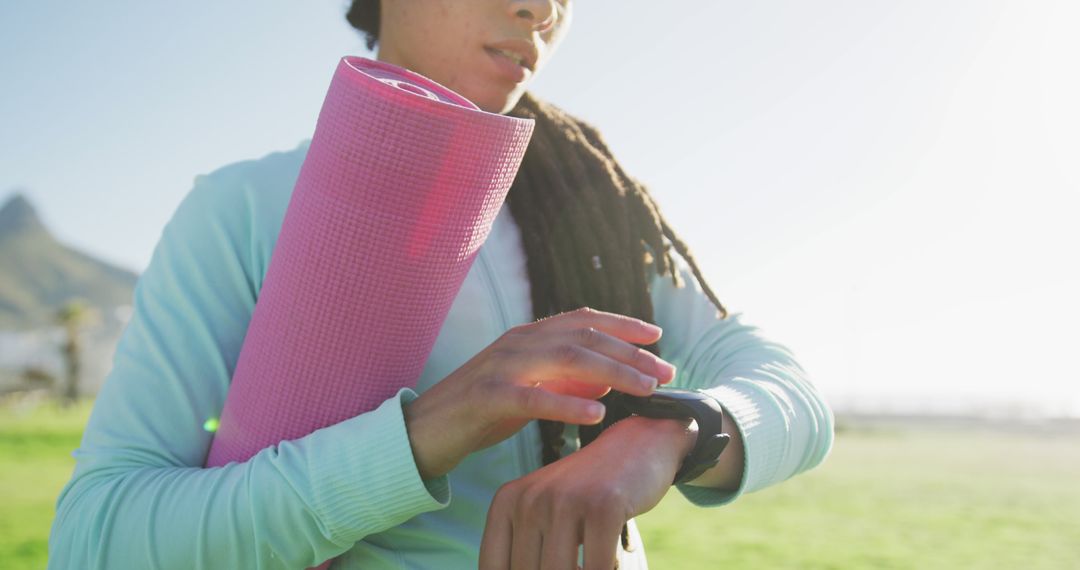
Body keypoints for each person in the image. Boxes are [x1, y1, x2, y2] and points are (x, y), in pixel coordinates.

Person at [47, 1, 834, 568]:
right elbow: (98, 541)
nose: (542, 11)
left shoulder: (593, 224)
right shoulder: (244, 207)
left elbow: (794, 396)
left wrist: (667, 435)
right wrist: (425, 434)